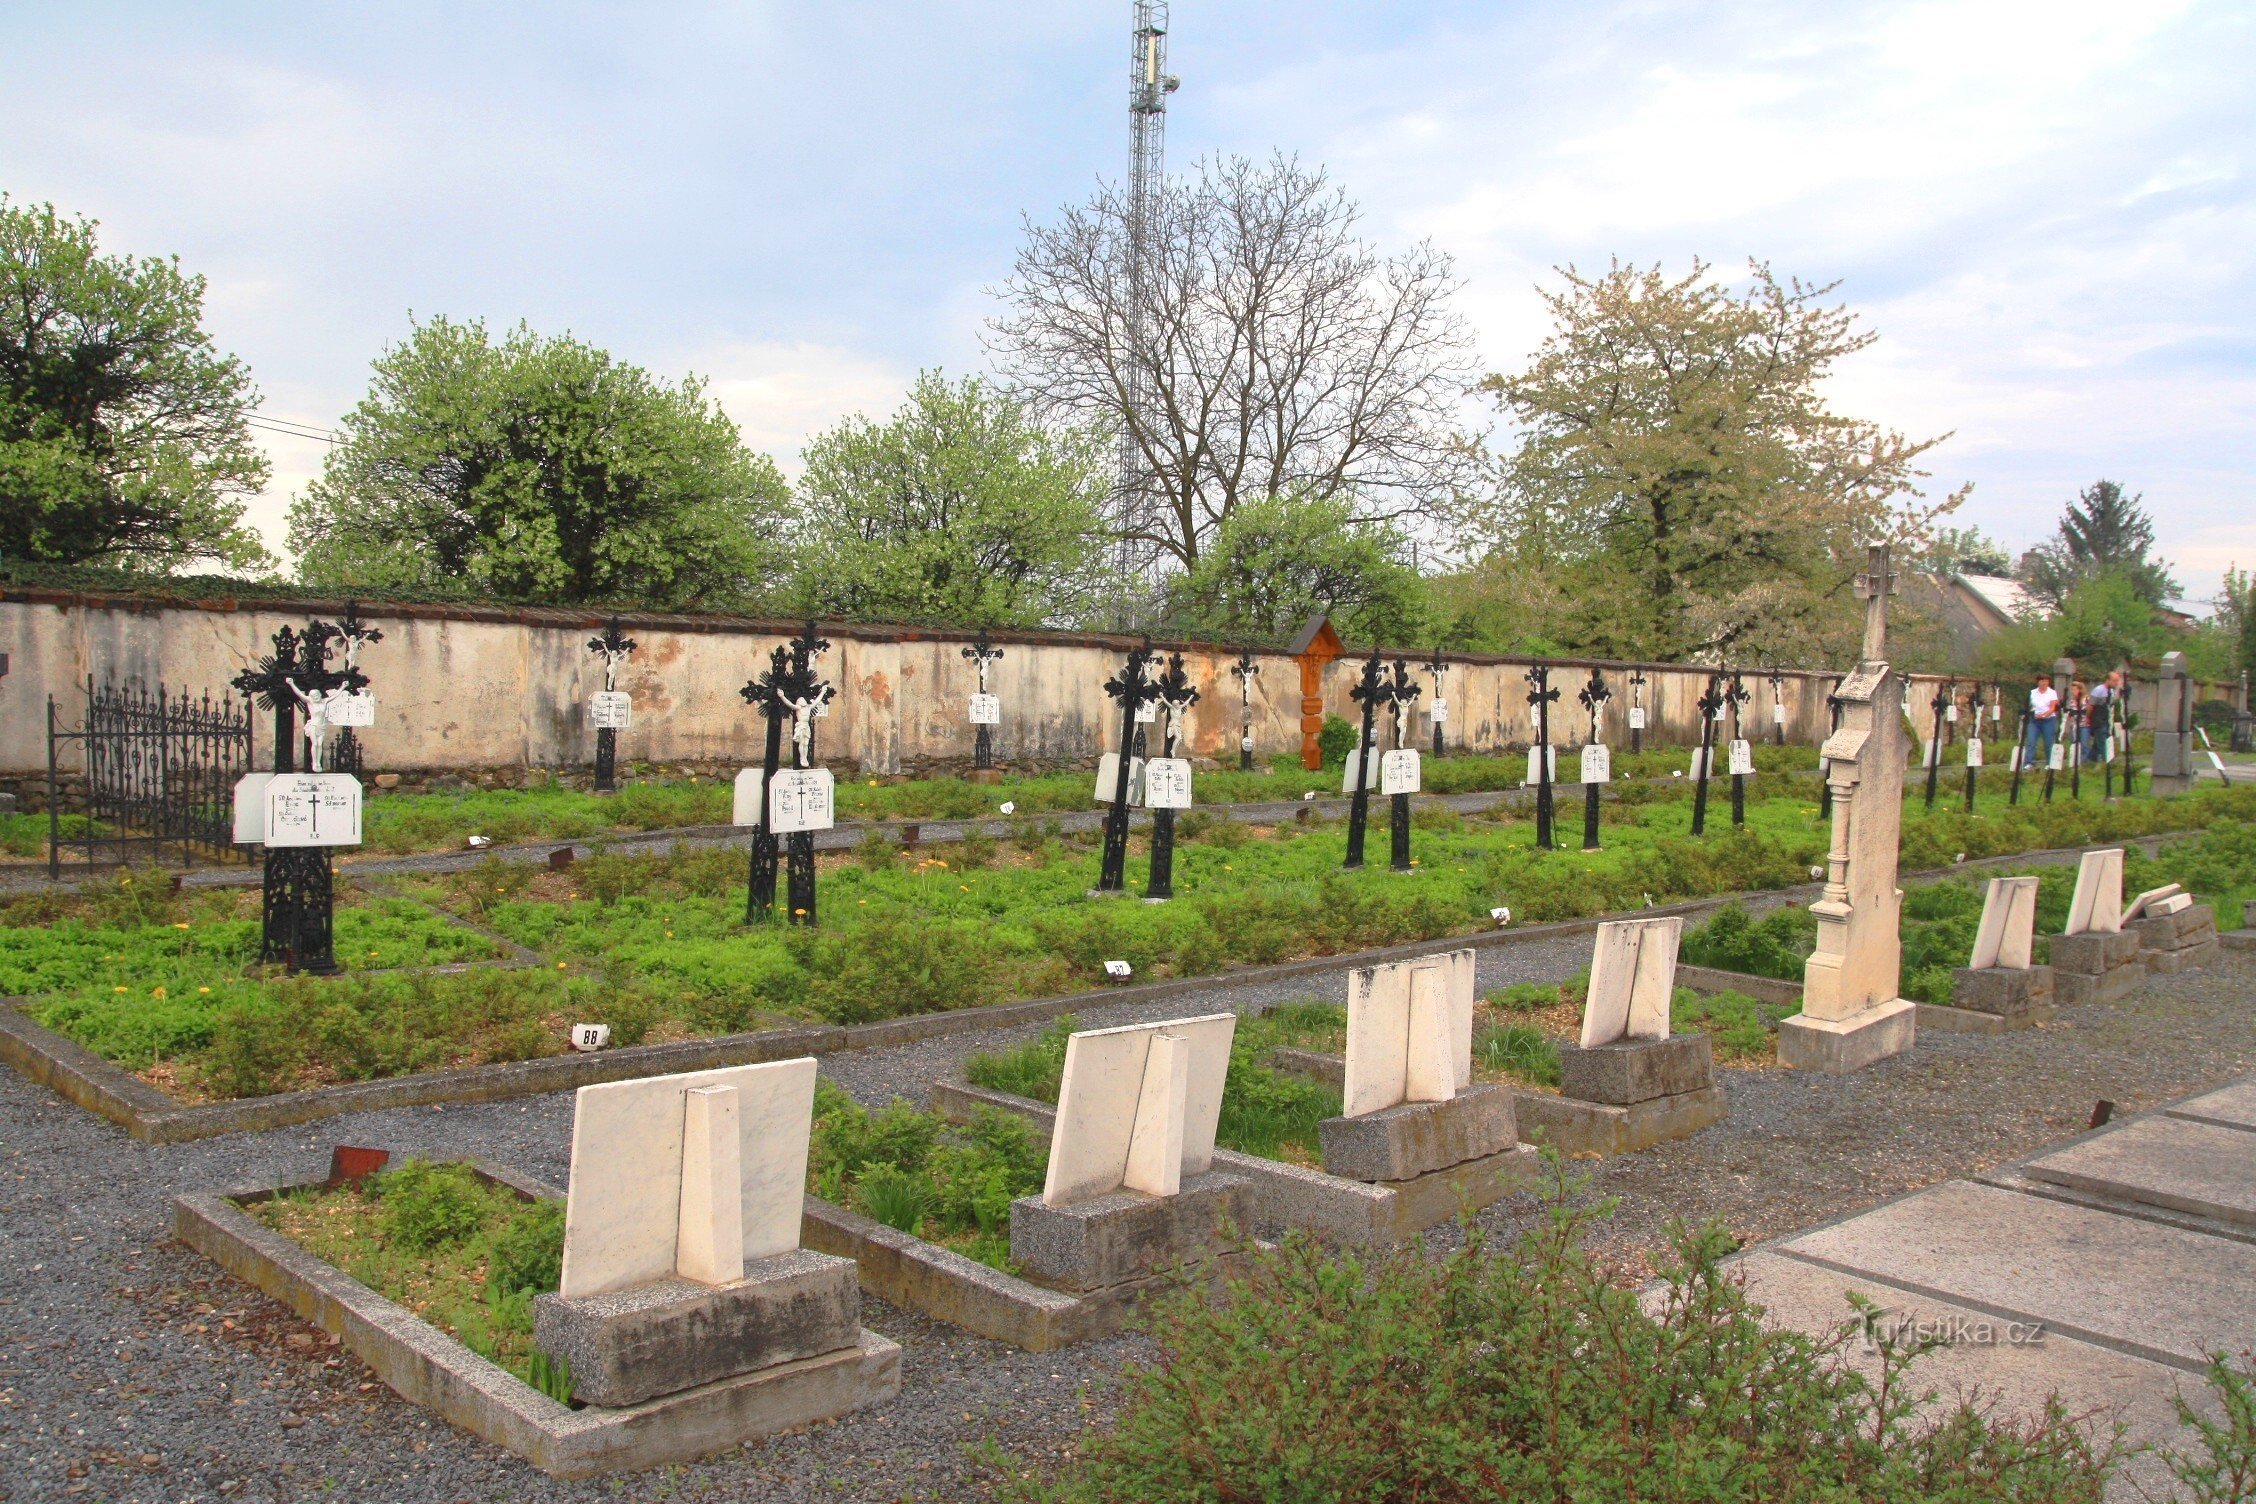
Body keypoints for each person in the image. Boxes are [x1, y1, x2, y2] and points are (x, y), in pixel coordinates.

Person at [2024, 675, 2060, 767]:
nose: (2044, 683)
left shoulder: (2052, 693)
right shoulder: (2032, 692)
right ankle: (2029, 762)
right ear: (2038, 682)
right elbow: (2029, 706)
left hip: (2048, 720)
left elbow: (2053, 707)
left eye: (2046, 681)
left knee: (2048, 742)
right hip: (2034, 720)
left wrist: (2044, 715)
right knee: (2031, 741)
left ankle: (2049, 762)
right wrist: (2033, 714)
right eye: (2042, 681)